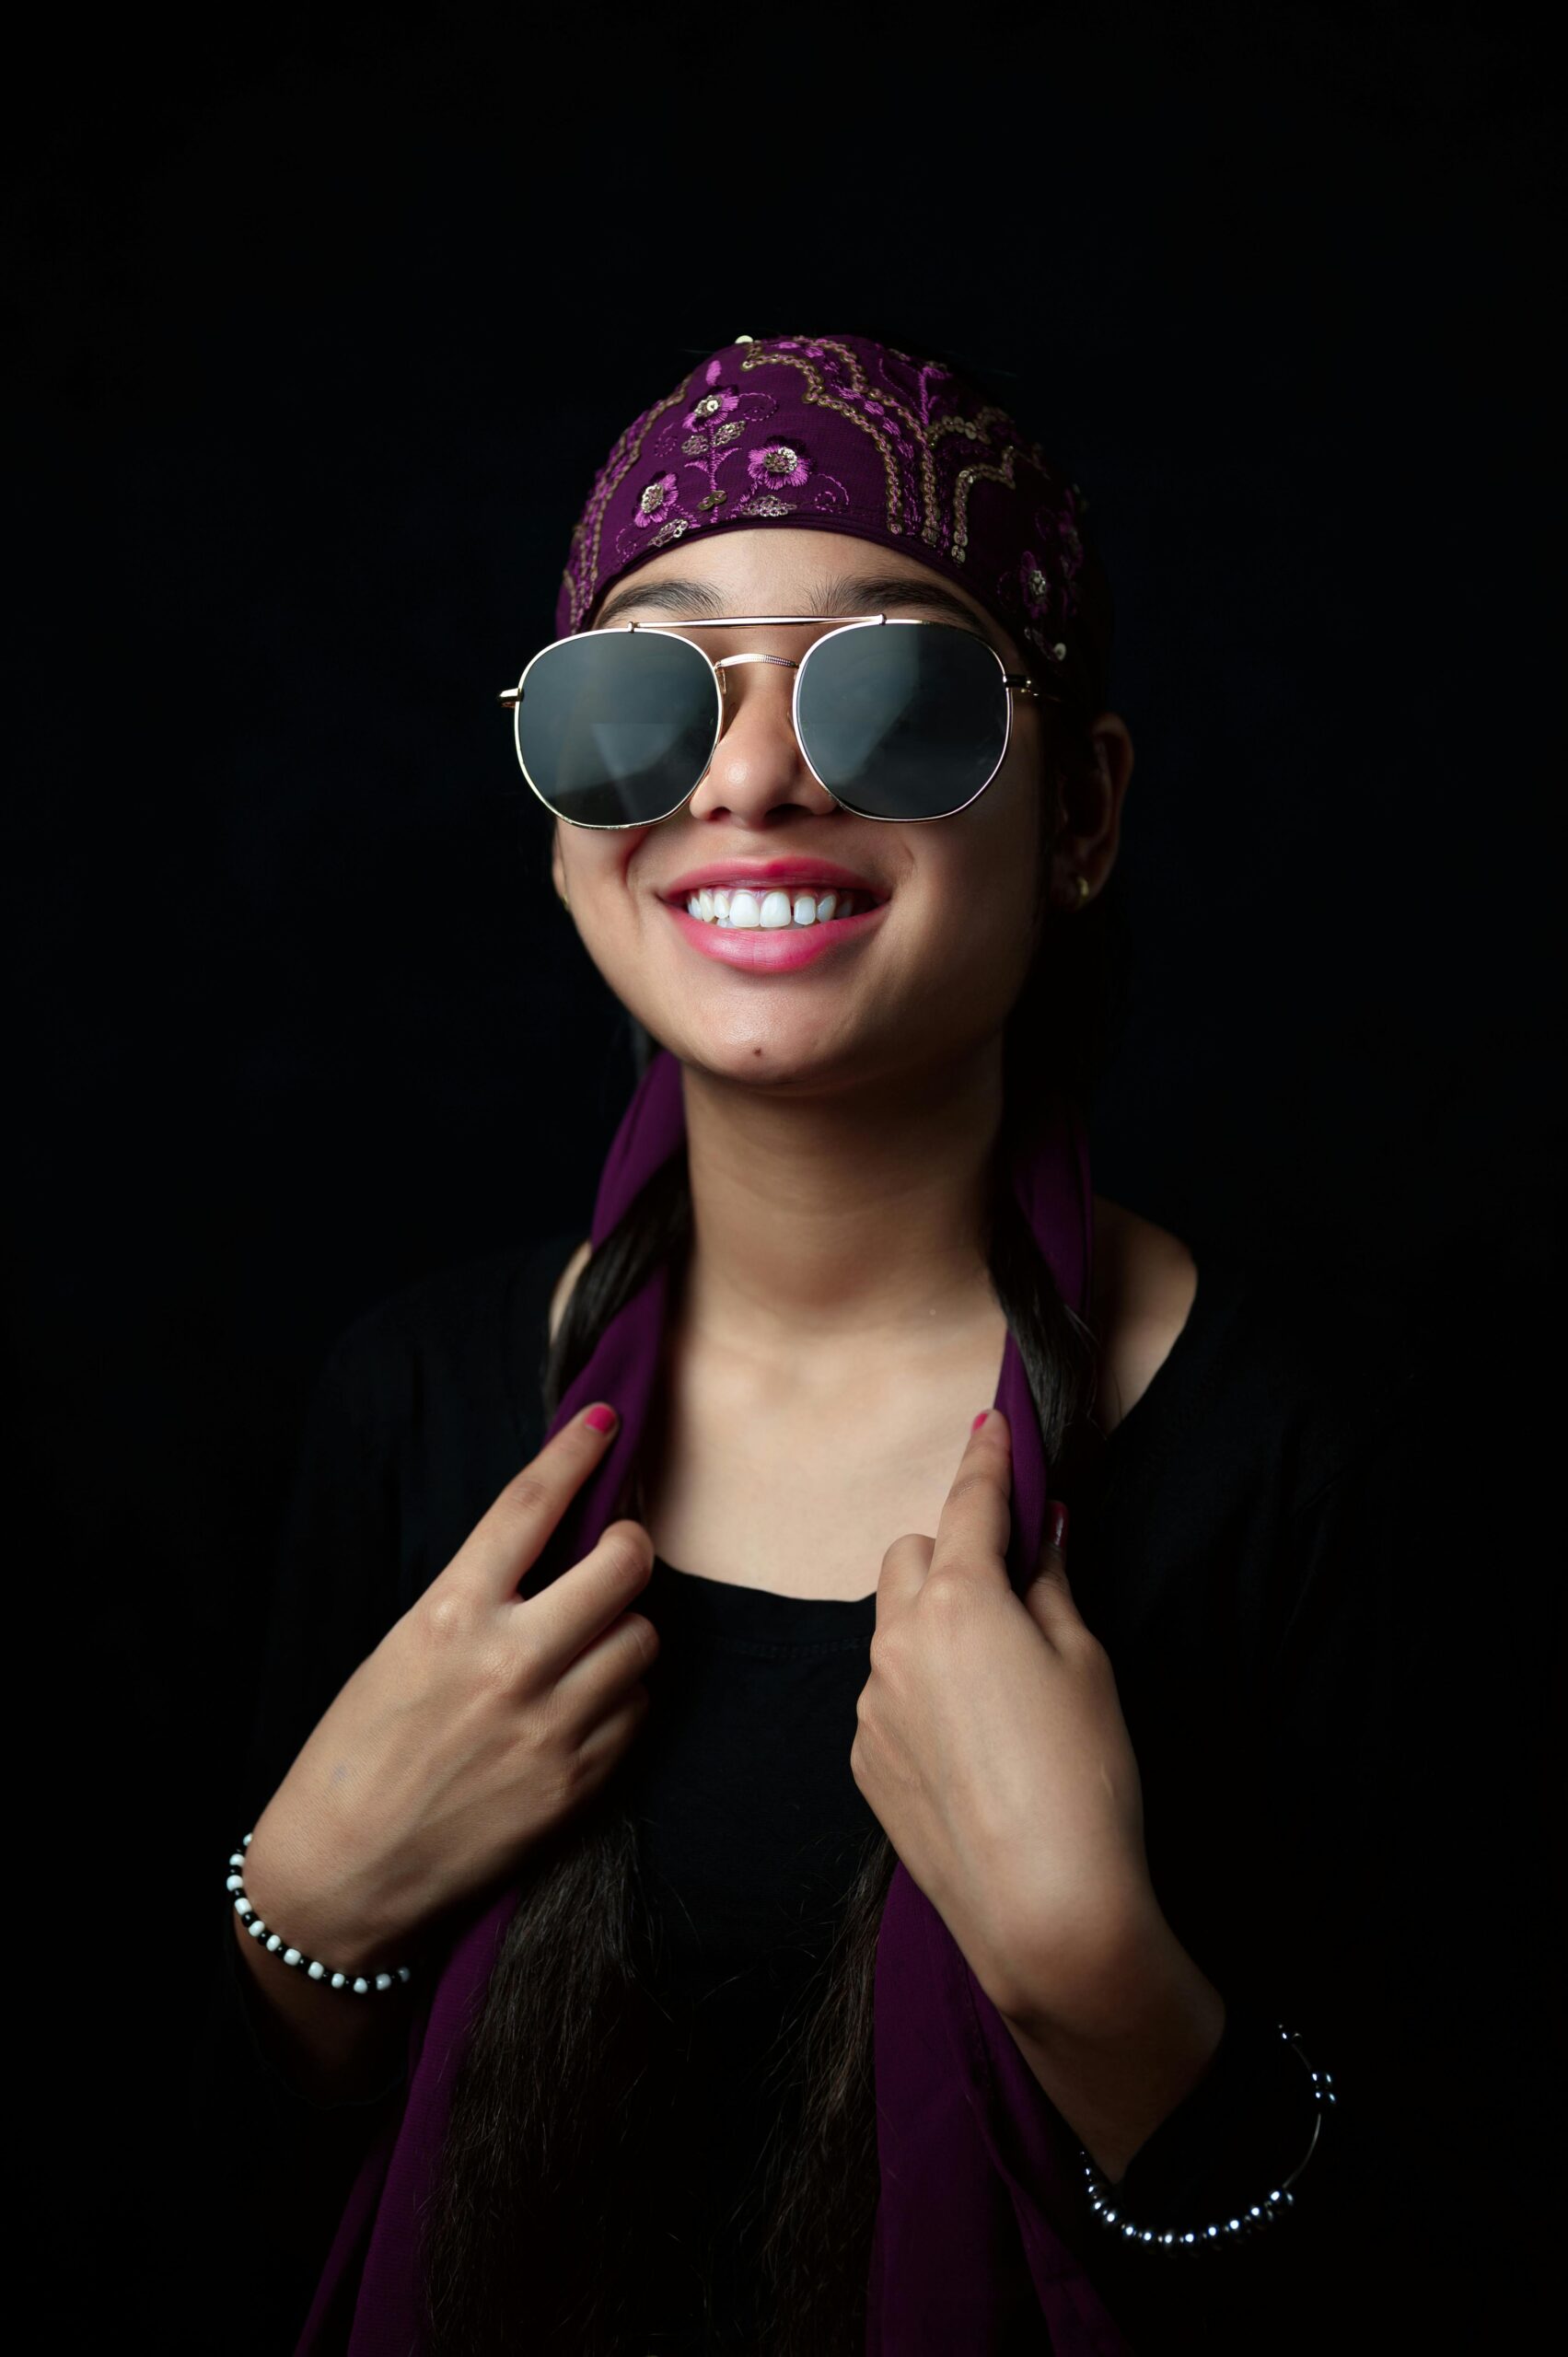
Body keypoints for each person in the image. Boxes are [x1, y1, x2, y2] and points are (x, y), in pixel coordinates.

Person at [193, 333, 1555, 2355]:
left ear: (1081, 812)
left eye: (894, 690)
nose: (748, 777)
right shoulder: (406, 1400)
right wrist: (305, 1906)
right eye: (644, 695)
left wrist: (1101, 1984)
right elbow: (178, 2229)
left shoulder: (1317, 1458)